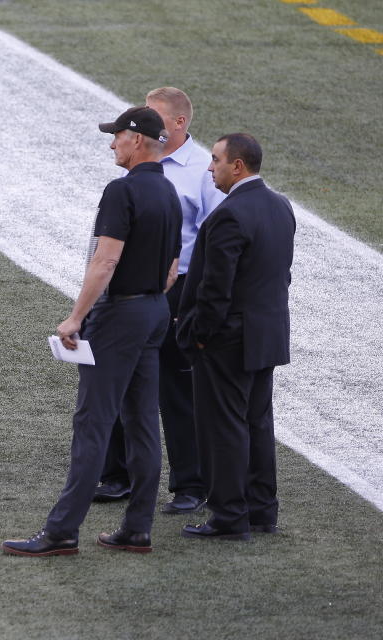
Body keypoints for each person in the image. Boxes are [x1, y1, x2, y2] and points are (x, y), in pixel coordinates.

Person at [2, 107, 181, 556]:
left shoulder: (121, 191)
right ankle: (137, 528)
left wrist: (75, 317)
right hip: (155, 312)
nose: (111, 144)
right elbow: (171, 273)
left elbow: (105, 261)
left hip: (121, 317)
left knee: (93, 423)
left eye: (117, 136)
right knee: (142, 423)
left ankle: (62, 531)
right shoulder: (171, 194)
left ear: (137, 140)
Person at [94, 88, 225, 515]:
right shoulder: (138, 168)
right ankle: (118, 475)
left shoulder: (203, 171)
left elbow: (215, 238)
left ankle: (190, 483)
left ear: (179, 123)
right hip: (134, 285)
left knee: (176, 388)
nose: (142, 121)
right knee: (117, 379)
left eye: (153, 114)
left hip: (181, 287)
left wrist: (197, 299)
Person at [176, 133, 295, 540]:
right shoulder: (281, 206)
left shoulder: (229, 214)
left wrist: (200, 335)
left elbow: (215, 288)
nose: (210, 168)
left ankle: (229, 516)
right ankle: (262, 513)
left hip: (229, 340)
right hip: (267, 335)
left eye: (215, 160)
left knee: (224, 427)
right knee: (258, 424)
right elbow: (282, 275)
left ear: (237, 166)